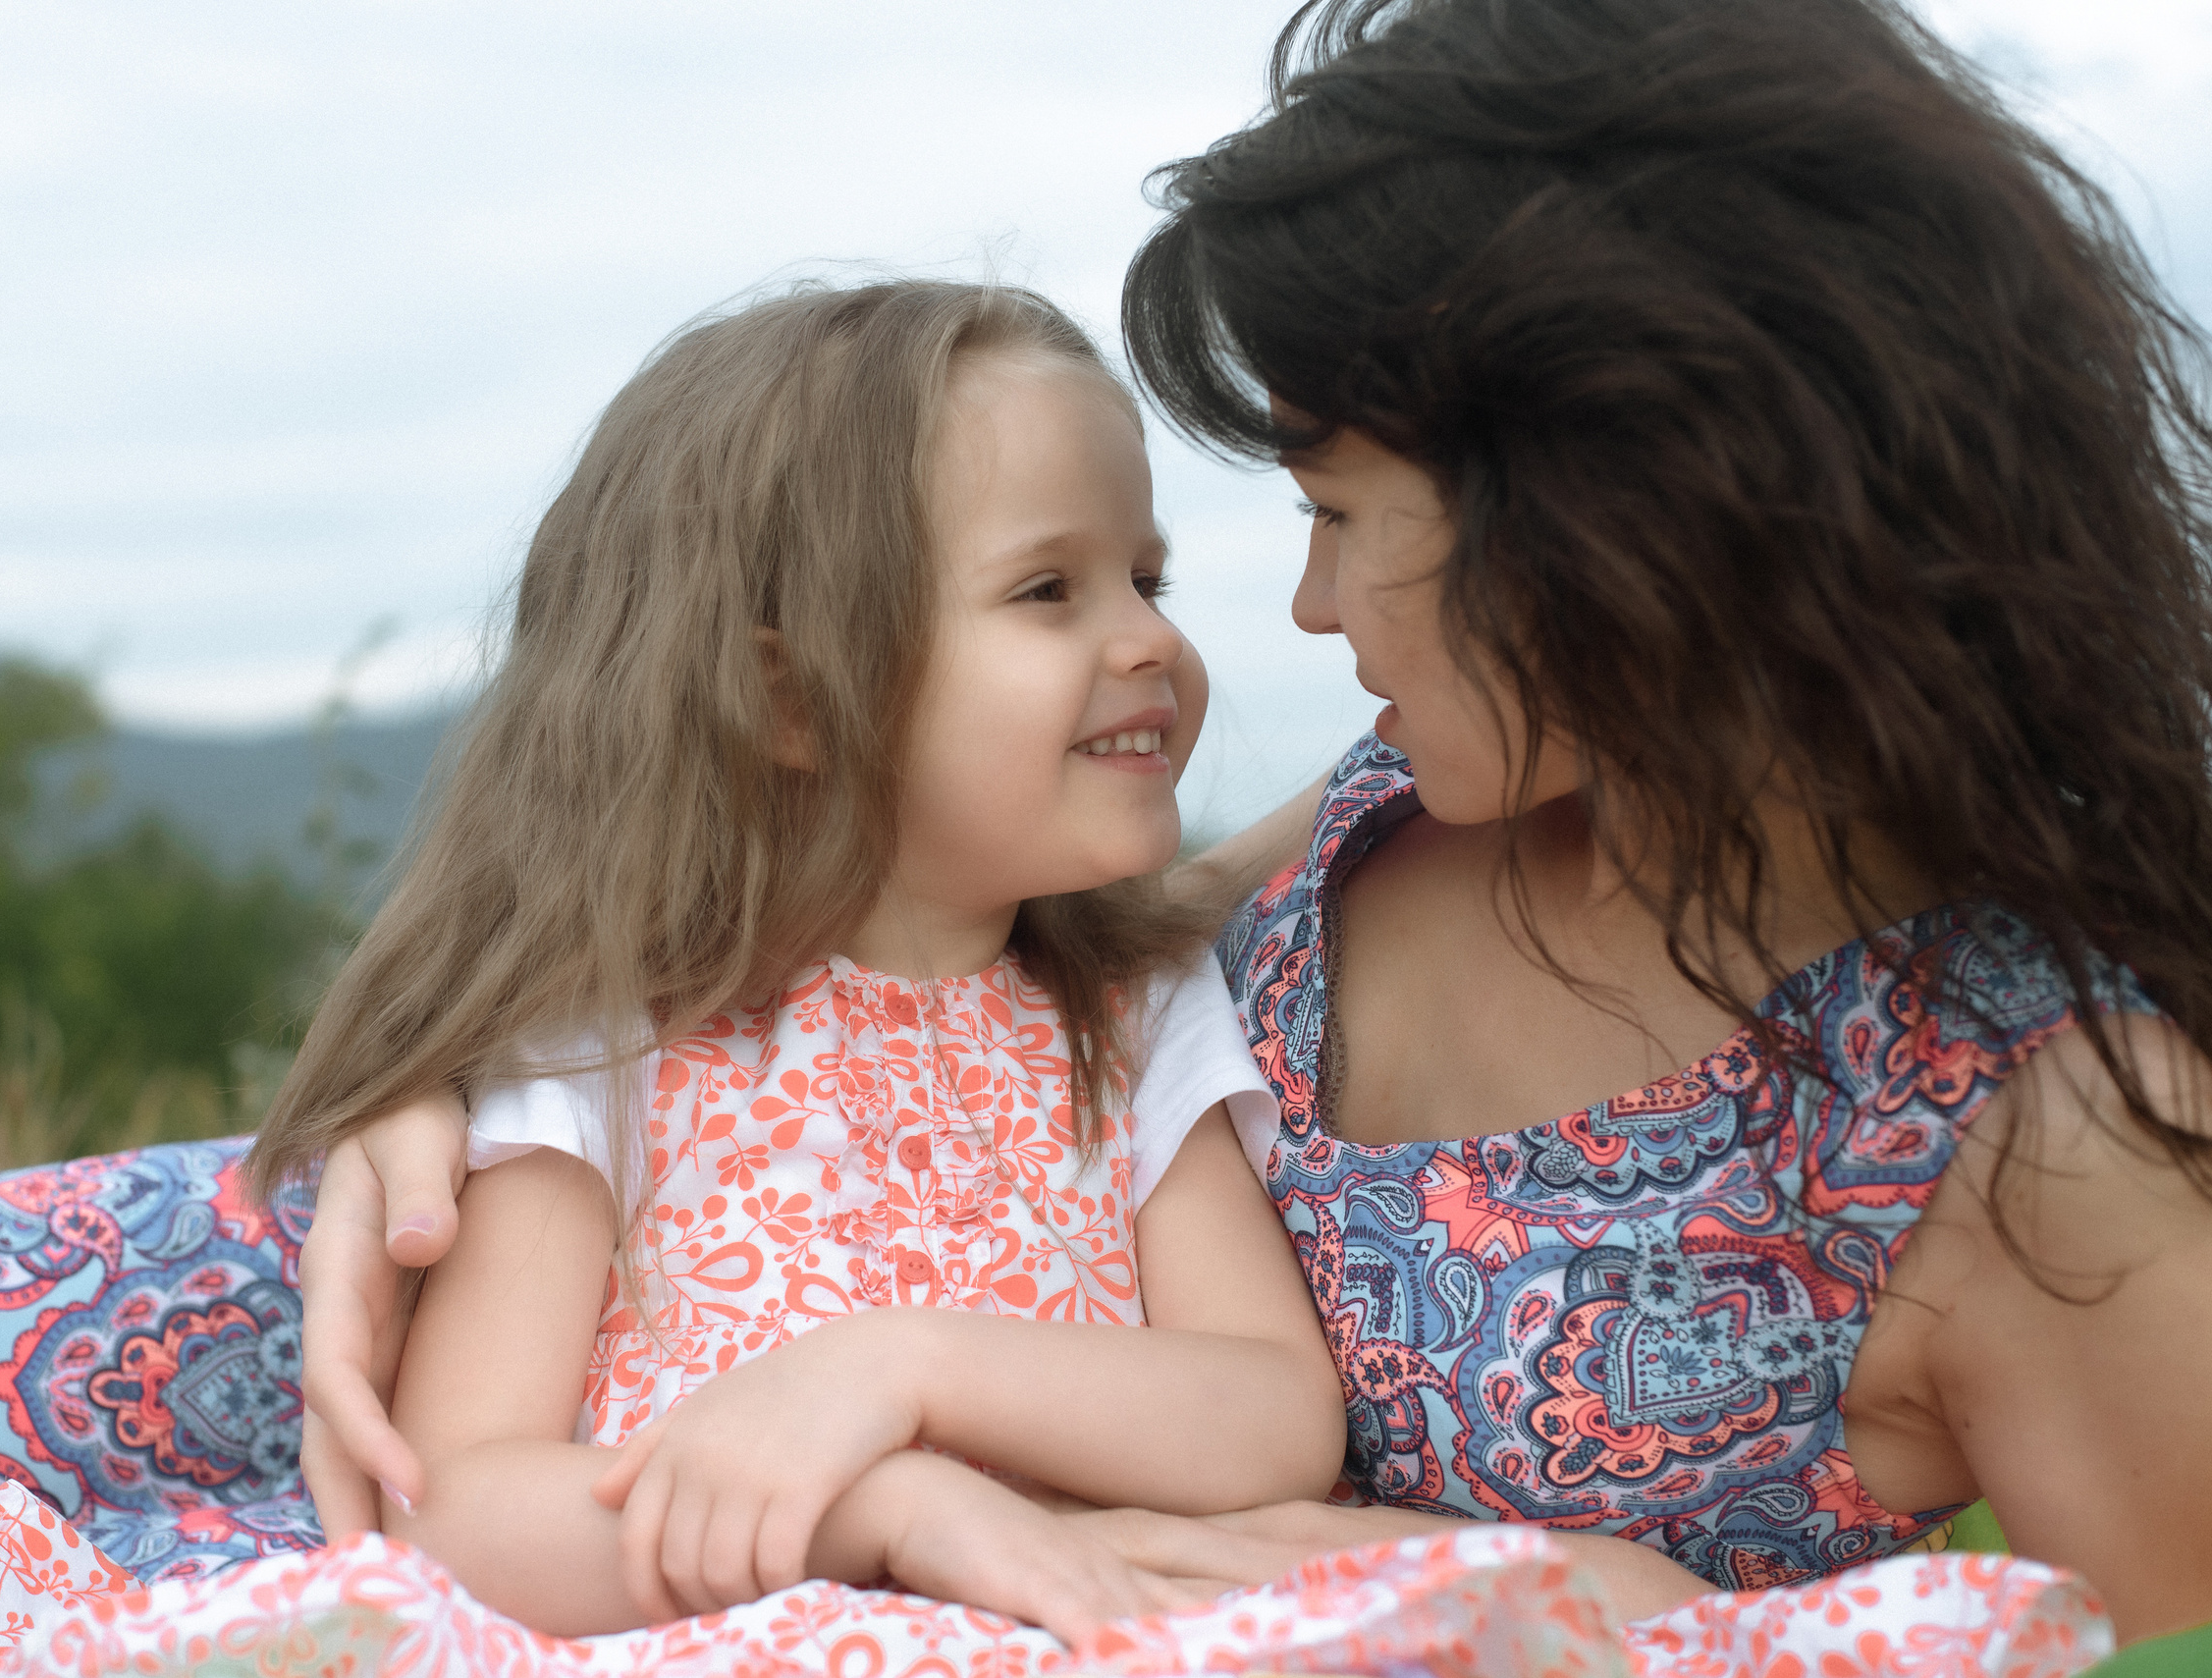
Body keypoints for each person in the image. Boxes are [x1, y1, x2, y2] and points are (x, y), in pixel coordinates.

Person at [299, 0, 2212, 1652]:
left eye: (1333, 508)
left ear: (1623, 497)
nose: (1296, 610)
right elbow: (881, 962)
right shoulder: (1373, 824)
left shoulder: (2052, 1138)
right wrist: (426, 1097)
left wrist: (1621, 1623)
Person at [243, 280, 1349, 1645]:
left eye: (1146, 578)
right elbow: (456, 1512)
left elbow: (1274, 1415)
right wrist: (883, 1514)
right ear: (792, 700)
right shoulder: (606, 1042)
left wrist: (911, 1367)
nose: (1151, 639)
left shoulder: (1128, 1014)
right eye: (1048, 590)